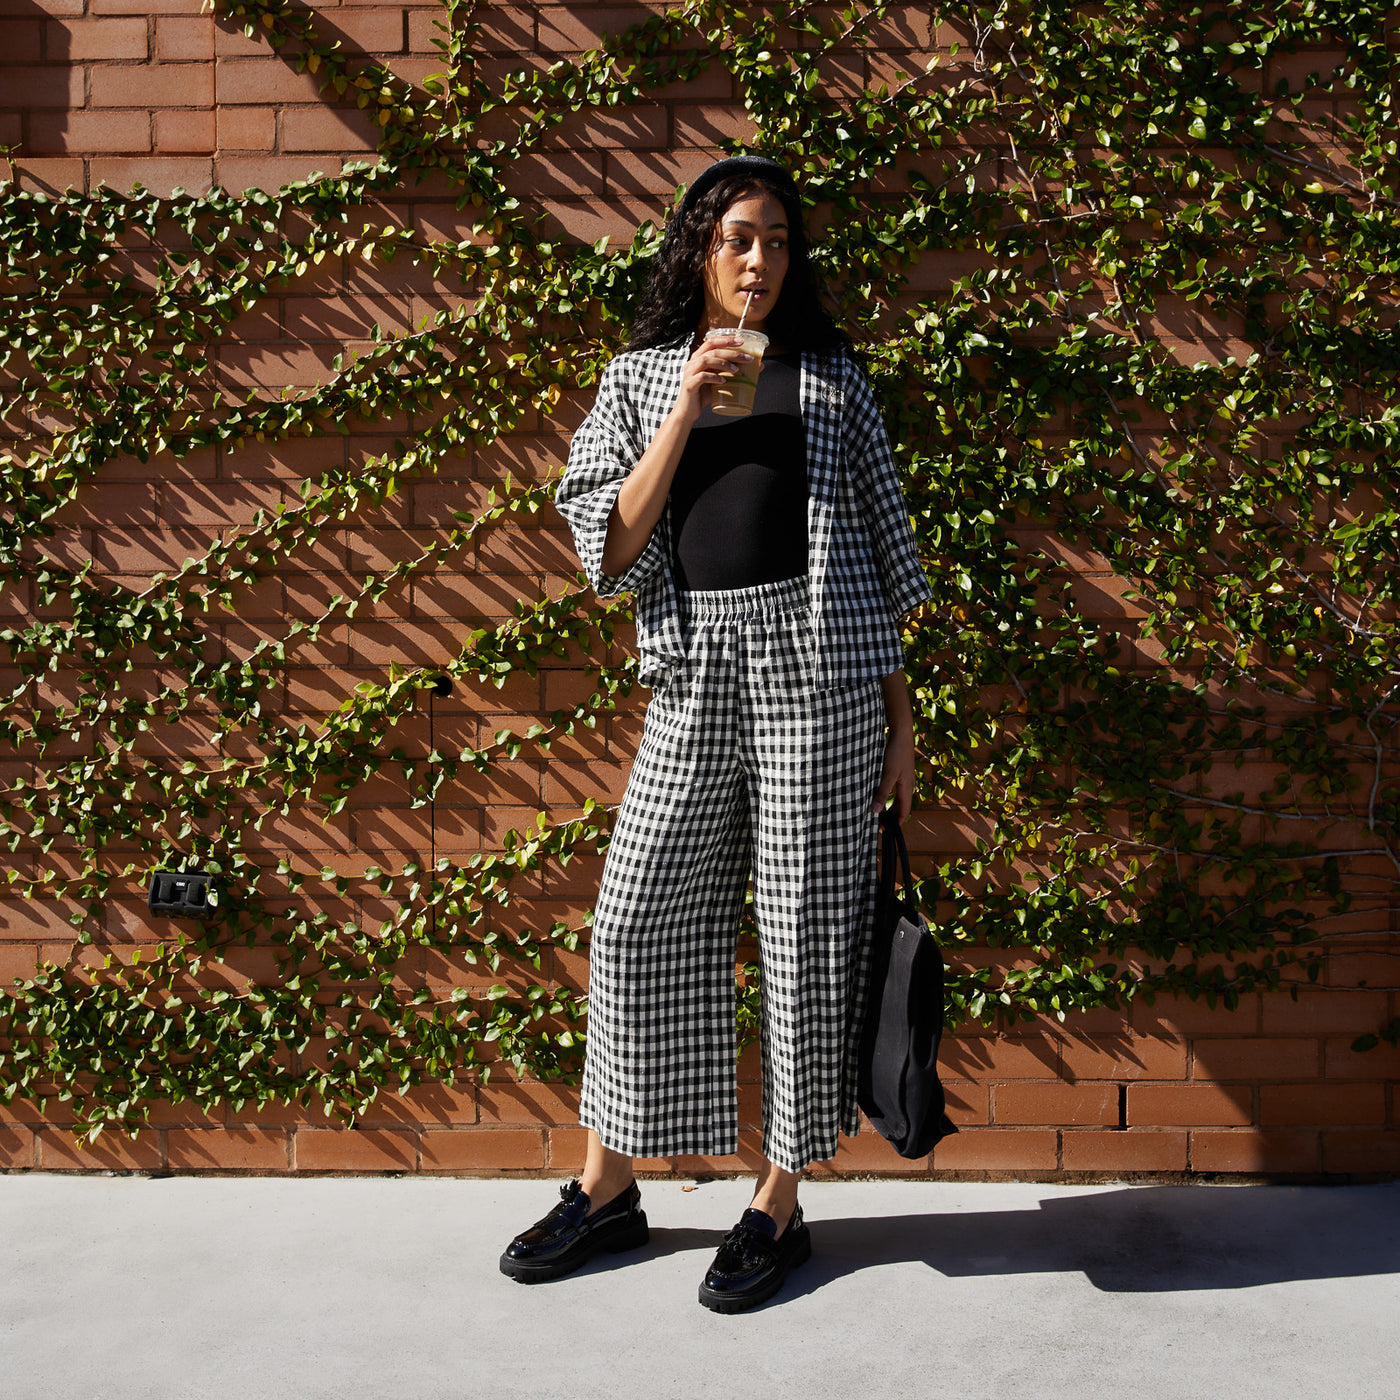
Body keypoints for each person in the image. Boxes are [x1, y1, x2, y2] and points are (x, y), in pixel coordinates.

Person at [499, 154, 931, 1312]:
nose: (760, 260)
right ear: (700, 248)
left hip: (821, 676)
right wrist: (685, 406)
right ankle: (608, 1185)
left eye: (778, 241)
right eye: (740, 237)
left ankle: (776, 1199)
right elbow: (602, 548)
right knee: (636, 916)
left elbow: (887, 566)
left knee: (800, 934)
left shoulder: (834, 380)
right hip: (694, 672)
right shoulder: (641, 376)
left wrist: (901, 722)